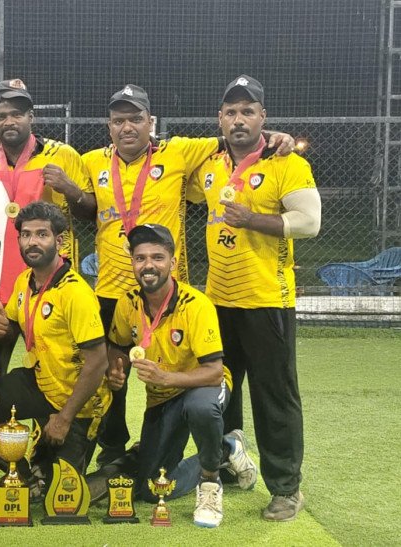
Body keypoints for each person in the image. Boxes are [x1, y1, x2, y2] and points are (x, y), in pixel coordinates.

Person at [81, 84, 295, 468]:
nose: (127, 127)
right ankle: (112, 454)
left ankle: (200, 449)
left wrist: (275, 137)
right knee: (110, 377)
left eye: (136, 119)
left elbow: (234, 138)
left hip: (167, 295)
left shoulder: (179, 151)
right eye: (118, 120)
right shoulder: (91, 160)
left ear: (151, 122)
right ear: (108, 126)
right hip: (112, 291)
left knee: (180, 375)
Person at [188, 75, 321, 522]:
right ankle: (229, 465)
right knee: (219, 391)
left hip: (267, 301)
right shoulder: (208, 163)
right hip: (217, 301)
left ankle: (286, 488)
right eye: (231, 112)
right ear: (219, 119)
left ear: (263, 116)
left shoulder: (287, 162)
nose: (239, 119)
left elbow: (309, 222)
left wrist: (253, 219)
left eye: (248, 111)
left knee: (274, 397)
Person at [0, 79, 95, 493]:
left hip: (46, 288)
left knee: (59, 368)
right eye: (1, 115)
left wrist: (69, 189)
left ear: (31, 117)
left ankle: (55, 448)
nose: (9, 121)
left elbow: (92, 211)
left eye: (17, 113)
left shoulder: (64, 156)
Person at [107, 223, 258, 528]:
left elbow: (214, 373)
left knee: (200, 407)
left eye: (157, 257)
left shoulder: (196, 305)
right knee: (152, 489)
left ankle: (210, 484)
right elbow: (117, 346)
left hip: (203, 386)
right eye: (140, 258)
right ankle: (226, 449)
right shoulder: (128, 303)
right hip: (162, 398)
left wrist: (165, 378)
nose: (148, 265)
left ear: (173, 263)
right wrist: (116, 368)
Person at [0, 201, 110, 505]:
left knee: (60, 496)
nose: (32, 242)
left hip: (78, 404)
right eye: (26, 235)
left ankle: (122, 466)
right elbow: (15, 324)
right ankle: (20, 475)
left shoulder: (76, 293)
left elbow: (98, 362)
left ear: (59, 241)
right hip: (40, 384)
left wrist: (64, 418)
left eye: (41, 234)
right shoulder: (25, 281)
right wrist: (4, 328)